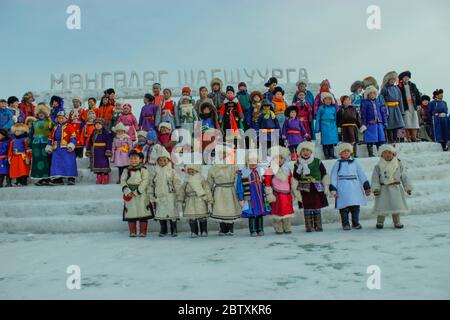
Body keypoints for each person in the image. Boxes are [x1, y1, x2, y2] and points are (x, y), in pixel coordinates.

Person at [330, 143, 371, 230]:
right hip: (342, 187)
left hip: (354, 187)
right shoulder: (338, 163)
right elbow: (333, 176)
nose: (345, 153)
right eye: (343, 151)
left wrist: (366, 185)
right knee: (344, 207)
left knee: (355, 207)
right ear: (340, 153)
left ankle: (355, 222)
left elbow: (361, 173)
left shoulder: (355, 162)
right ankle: (345, 224)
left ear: (351, 152)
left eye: (347, 151)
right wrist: (333, 187)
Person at [371, 144, 412, 229]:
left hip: (395, 188)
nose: (387, 155)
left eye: (389, 152)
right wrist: (376, 188)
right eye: (385, 153)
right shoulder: (378, 166)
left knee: (395, 205)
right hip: (383, 189)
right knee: (382, 205)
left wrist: (407, 187)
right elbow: (375, 178)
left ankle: (397, 221)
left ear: (393, 154)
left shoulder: (398, 164)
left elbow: (404, 176)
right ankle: (380, 221)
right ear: (381, 154)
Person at [292, 141, 329, 232]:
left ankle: (318, 224)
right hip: (304, 187)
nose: (305, 152)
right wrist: (295, 191)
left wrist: (326, 186)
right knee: (307, 206)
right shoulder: (297, 164)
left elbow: (324, 174)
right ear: (300, 152)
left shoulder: (318, 161)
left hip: (317, 186)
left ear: (311, 151)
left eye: (307, 150)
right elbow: (295, 178)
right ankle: (308, 225)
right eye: (303, 150)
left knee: (317, 205)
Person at [207, 144, 242, 236]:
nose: (221, 156)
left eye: (224, 153)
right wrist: (208, 193)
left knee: (230, 209)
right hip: (219, 191)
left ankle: (230, 228)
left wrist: (239, 191)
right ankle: (222, 228)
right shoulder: (214, 168)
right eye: (219, 154)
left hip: (230, 190)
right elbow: (209, 181)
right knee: (220, 209)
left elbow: (238, 179)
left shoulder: (233, 166)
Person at [148, 146, 182, 237]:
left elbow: (177, 183)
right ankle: (163, 229)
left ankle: (173, 228)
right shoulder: (155, 172)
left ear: (168, 161)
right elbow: (151, 184)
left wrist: (179, 193)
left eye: (165, 160)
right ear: (157, 161)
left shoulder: (172, 171)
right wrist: (151, 195)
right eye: (160, 160)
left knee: (172, 212)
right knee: (161, 212)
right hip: (159, 196)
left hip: (170, 195)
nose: (162, 162)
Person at [236, 154, 271, 236]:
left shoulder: (260, 171)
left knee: (260, 212)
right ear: (246, 162)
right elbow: (239, 186)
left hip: (260, 197)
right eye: (250, 161)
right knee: (252, 212)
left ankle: (260, 229)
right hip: (250, 196)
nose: (252, 163)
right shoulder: (243, 172)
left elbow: (266, 182)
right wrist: (241, 197)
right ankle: (253, 230)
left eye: (254, 161)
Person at [264, 146, 295, 234]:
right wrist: (269, 193)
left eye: (281, 158)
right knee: (277, 211)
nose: (279, 160)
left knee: (287, 211)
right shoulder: (270, 169)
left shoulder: (287, 169)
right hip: (276, 194)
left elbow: (290, 180)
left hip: (286, 193)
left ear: (284, 159)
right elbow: (267, 182)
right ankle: (278, 227)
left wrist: (293, 191)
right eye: (276, 158)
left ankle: (287, 226)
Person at [121, 149, 152, 237]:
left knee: (143, 212)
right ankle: (132, 231)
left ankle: (143, 231)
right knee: (131, 212)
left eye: (135, 159)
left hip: (141, 194)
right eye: (131, 159)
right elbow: (123, 181)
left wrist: (138, 191)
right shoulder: (126, 170)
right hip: (130, 194)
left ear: (140, 159)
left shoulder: (143, 170)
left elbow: (145, 181)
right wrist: (127, 191)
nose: (133, 161)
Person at [179, 164, 213, 238]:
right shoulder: (186, 181)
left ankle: (204, 231)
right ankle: (194, 231)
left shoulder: (202, 180)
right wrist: (180, 199)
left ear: (197, 171)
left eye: (192, 171)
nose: (191, 173)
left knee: (202, 217)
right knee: (192, 218)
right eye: (189, 171)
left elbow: (207, 190)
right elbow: (182, 191)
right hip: (190, 200)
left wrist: (209, 200)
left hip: (200, 200)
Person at [46, 111, 78, 185]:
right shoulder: (54, 127)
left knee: (69, 162)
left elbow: (73, 137)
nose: (60, 120)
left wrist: (71, 145)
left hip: (66, 148)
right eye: (59, 118)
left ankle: (71, 178)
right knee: (57, 163)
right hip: (56, 148)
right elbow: (50, 138)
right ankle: (58, 179)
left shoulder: (69, 126)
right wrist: (49, 147)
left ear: (65, 118)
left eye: (62, 118)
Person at [29, 103, 53, 186]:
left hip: (46, 143)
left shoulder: (49, 123)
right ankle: (40, 178)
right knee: (37, 161)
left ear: (45, 114)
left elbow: (53, 133)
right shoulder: (34, 123)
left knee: (46, 160)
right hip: (36, 144)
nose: (41, 115)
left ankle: (47, 178)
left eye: (43, 113)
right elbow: (30, 134)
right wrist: (29, 146)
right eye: (39, 113)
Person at [360, 86, 388, 157]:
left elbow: (382, 112)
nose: (372, 95)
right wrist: (364, 124)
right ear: (367, 95)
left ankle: (380, 152)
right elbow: (363, 114)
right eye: (370, 93)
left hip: (379, 123)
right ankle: (370, 153)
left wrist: (385, 121)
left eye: (374, 93)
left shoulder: (378, 102)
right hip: (370, 123)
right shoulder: (365, 103)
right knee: (370, 138)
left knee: (380, 138)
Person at [380, 71, 405, 143]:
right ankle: (390, 140)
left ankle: (397, 139)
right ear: (388, 80)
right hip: (389, 109)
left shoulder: (397, 88)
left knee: (398, 125)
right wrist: (384, 109)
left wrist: (402, 111)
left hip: (396, 108)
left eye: (394, 80)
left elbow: (400, 100)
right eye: (391, 79)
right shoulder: (385, 88)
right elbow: (382, 99)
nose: (392, 81)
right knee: (389, 125)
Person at [86, 118, 113, 184]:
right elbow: (90, 142)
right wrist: (89, 150)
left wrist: (108, 150)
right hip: (95, 151)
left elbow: (109, 142)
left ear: (102, 125)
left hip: (103, 150)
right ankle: (99, 178)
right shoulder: (94, 133)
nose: (98, 125)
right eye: (96, 124)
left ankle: (106, 178)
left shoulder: (105, 133)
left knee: (104, 164)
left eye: (99, 124)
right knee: (97, 164)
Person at [398, 71, 421, 142]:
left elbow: (417, 95)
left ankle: (414, 137)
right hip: (405, 106)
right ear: (402, 78)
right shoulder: (399, 86)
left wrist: (418, 104)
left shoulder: (413, 85)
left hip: (413, 105)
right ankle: (407, 137)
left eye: (407, 77)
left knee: (414, 121)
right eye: (404, 77)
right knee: (406, 122)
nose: (406, 78)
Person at [316, 92, 339, 159]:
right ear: (323, 100)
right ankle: (327, 155)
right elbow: (318, 118)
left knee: (332, 141)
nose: (328, 101)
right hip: (324, 125)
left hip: (332, 126)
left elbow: (335, 118)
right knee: (325, 141)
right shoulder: (321, 108)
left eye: (329, 99)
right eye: (326, 99)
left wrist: (336, 126)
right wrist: (317, 127)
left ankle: (332, 154)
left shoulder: (333, 108)